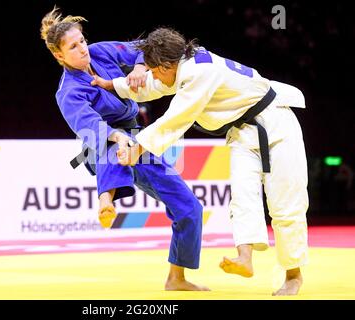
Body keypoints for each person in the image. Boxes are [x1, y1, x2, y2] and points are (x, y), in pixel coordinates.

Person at [92, 27, 309, 296]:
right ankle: (245, 258)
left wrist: (138, 148)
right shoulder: (180, 65)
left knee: (285, 203)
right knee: (242, 195)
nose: (153, 75)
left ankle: (293, 276)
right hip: (241, 132)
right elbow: (153, 85)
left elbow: (177, 118)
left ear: (166, 64)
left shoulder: (198, 72)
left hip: (276, 123)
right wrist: (112, 85)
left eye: (154, 69)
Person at [40, 7, 208, 291]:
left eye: (81, 40)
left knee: (189, 207)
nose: (82, 48)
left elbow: (143, 49)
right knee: (112, 145)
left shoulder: (100, 51)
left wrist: (141, 67)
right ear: (59, 55)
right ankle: (106, 197)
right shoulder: (68, 92)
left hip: (136, 136)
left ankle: (176, 278)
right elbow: (90, 125)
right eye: (73, 46)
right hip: (98, 145)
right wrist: (117, 138)